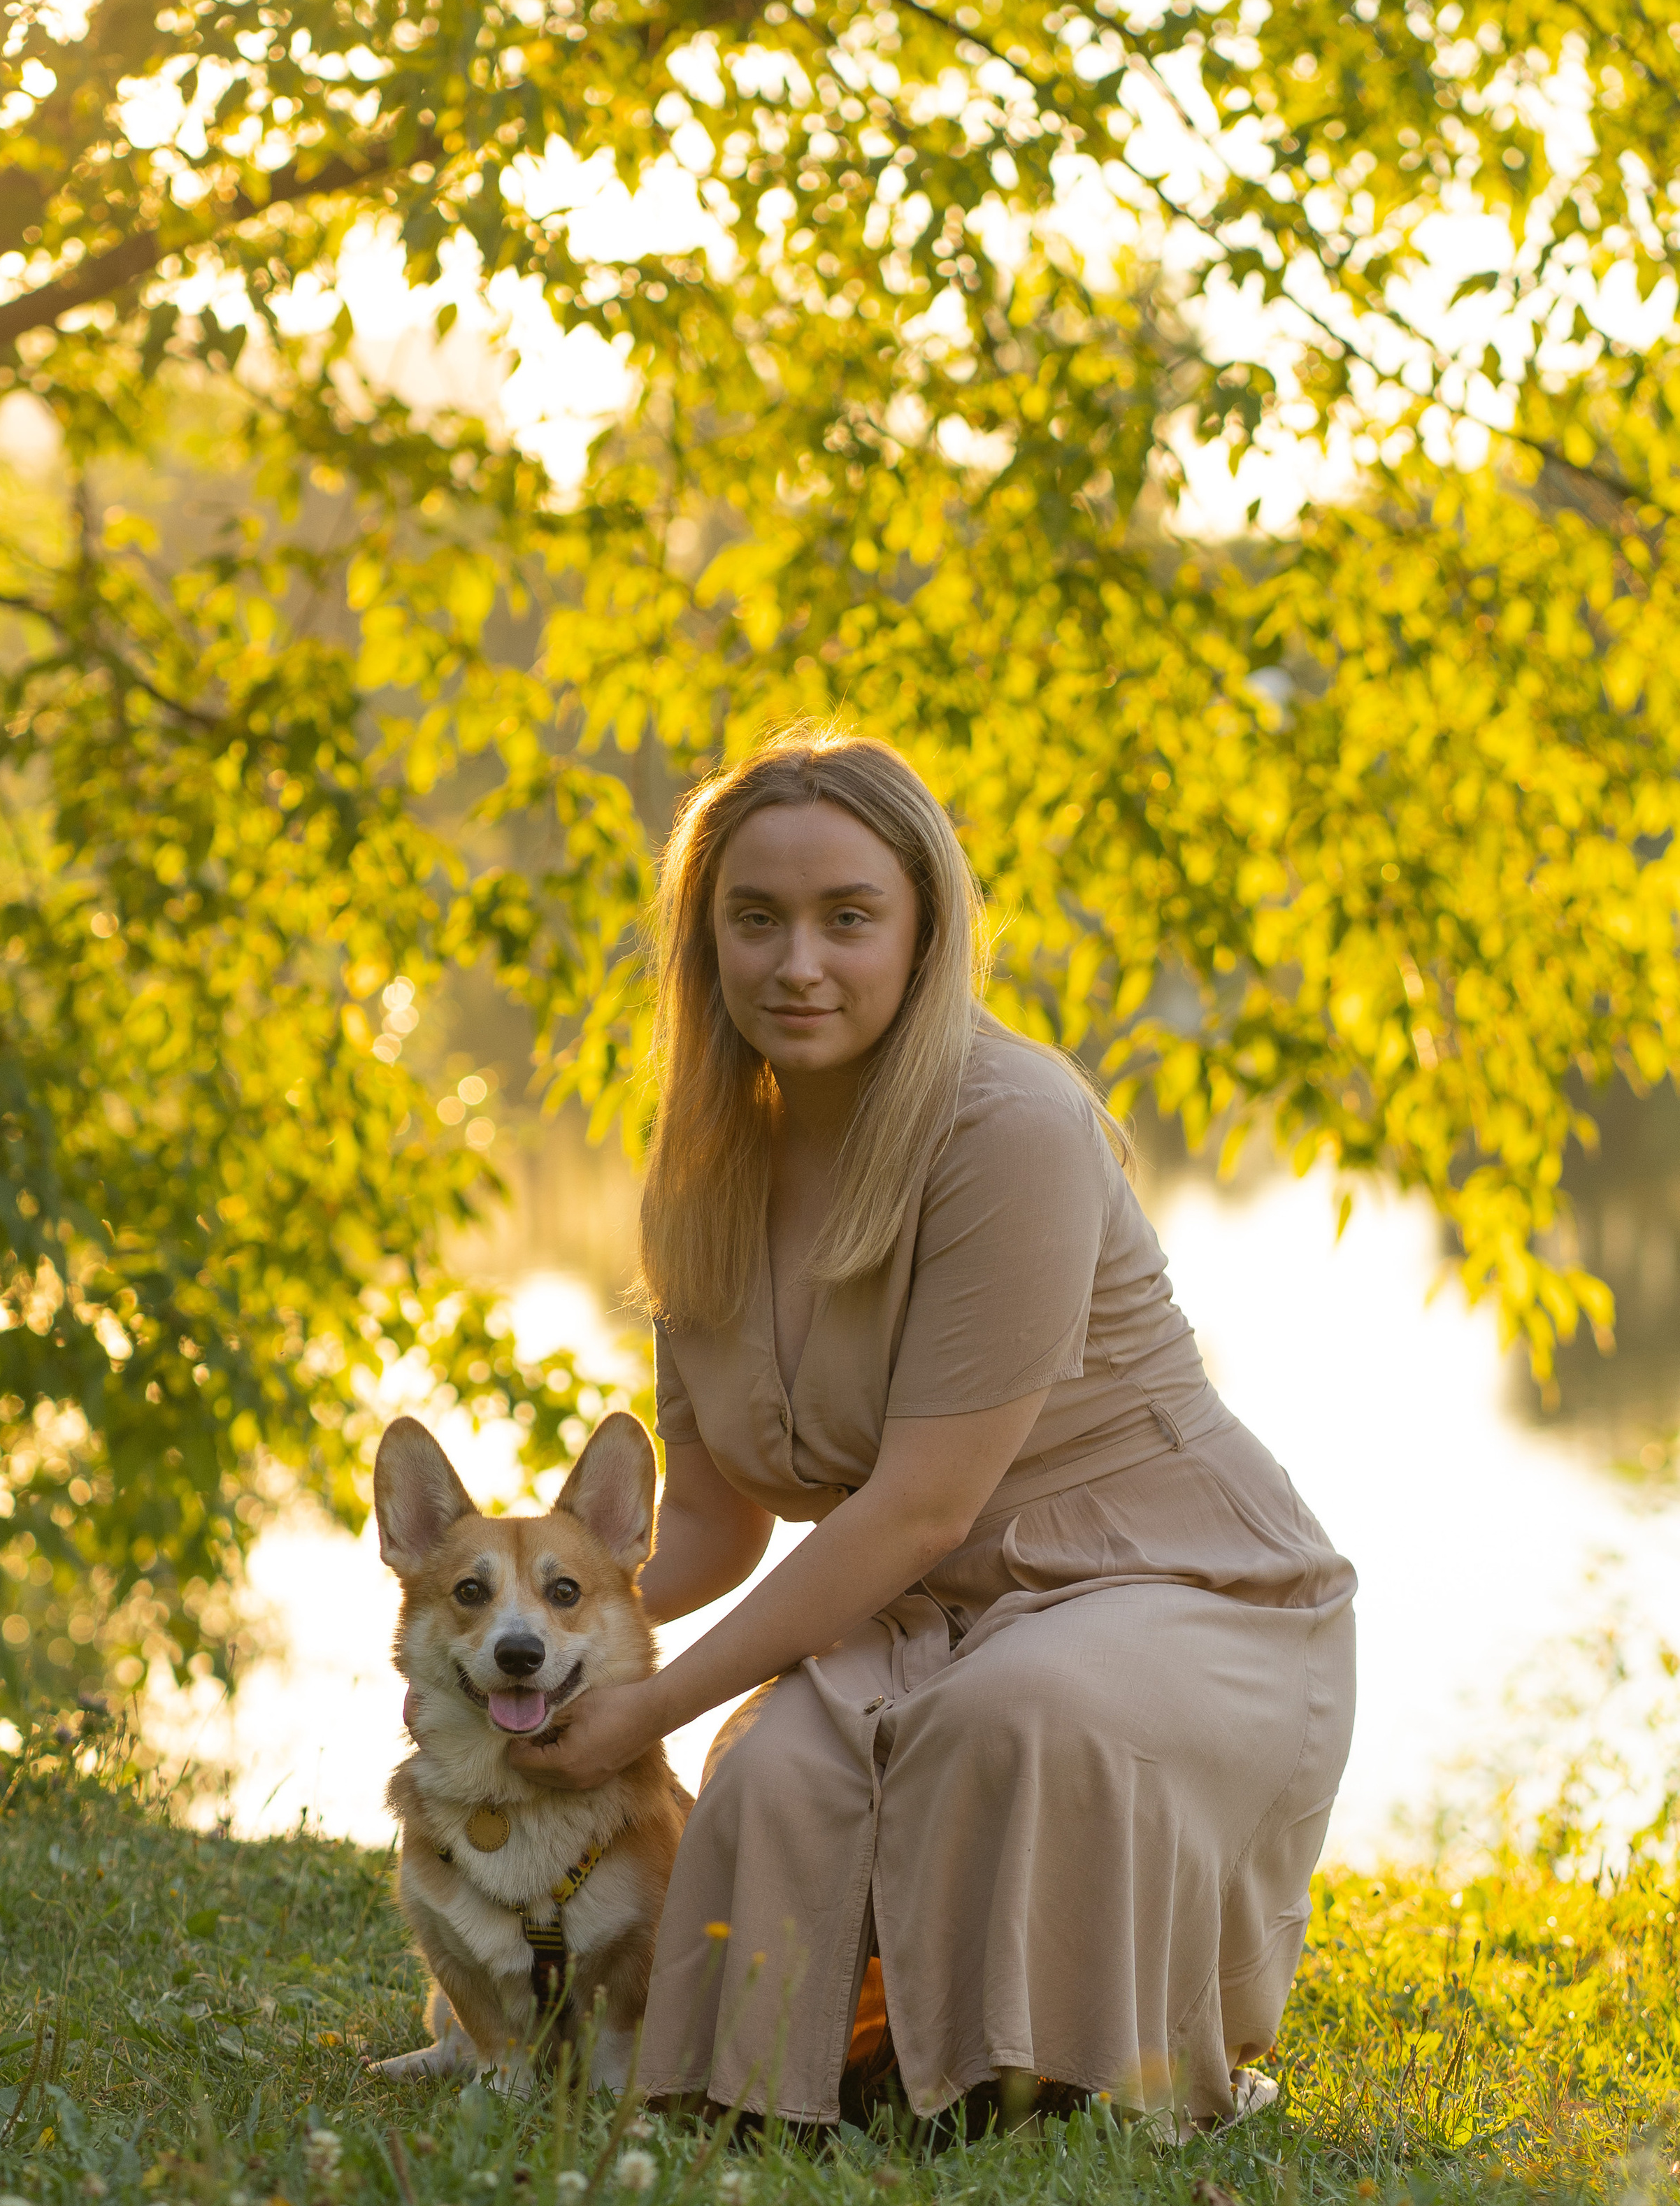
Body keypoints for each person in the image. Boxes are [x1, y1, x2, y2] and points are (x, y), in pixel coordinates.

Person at [498, 725, 1356, 2131]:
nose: (796, 963)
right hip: (919, 1615)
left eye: (847, 918)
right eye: (754, 919)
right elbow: (714, 1521)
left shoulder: (1010, 1123)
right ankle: (816, 2086)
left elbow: (913, 1511)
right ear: (702, 938)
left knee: (1016, 1719)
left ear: (920, 929)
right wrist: (533, 1656)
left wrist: (649, 1708)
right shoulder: (697, 1163)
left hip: (1171, 1586)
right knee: (776, 1773)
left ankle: (1066, 2084)